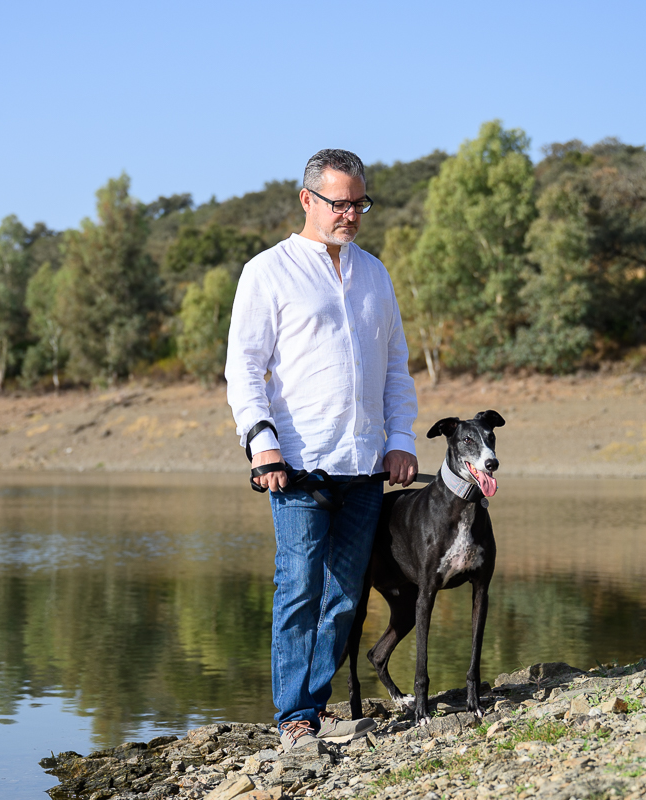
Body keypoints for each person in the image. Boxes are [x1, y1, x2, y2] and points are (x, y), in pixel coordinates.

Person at [225, 149, 419, 751]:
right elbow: (245, 369)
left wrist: (401, 441)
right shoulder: (268, 272)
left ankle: (310, 699)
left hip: (364, 465)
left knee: (343, 595)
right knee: (299, 587)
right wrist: (261, 444)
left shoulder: (375, 273)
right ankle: (297, 715)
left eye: (359, 203)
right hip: (297, 467)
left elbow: (395, 368)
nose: (351, 215)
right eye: (340, 203)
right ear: (307, 200)